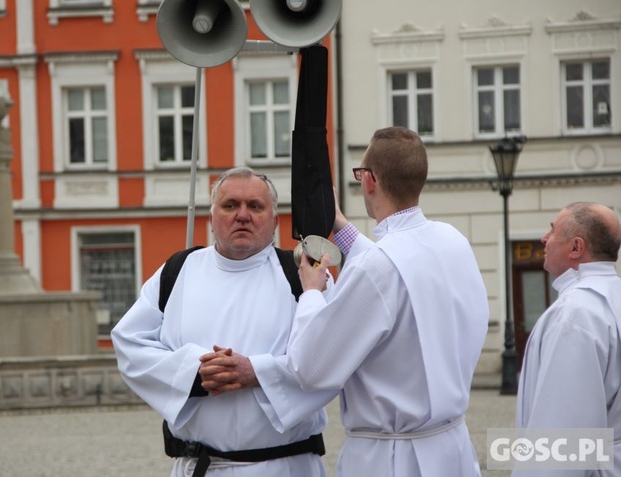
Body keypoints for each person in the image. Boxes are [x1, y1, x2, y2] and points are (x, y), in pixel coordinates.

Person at [287, 126, 490, 476]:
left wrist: (311, 292)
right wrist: (341, 226)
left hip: (391, 458)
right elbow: (400, 268)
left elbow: (310, 367)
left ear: (369, 180)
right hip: (451, 448)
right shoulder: (451, 239)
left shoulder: (378, 266)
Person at [112, 167, 337, 477]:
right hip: (199, 467)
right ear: (211, 218)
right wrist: (194, 373)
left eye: (255, 206)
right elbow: (129, 343)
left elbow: (332, 358)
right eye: (230, 205)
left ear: (275, 221)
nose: (242, 215)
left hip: (284, 466)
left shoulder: (304, 277)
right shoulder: (177, 271)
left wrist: (257, 372)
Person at [514, 202, 621, 477]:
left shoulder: (575, 315)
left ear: (576, 247)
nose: (544, 239)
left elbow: (562, 439)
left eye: (552, 231)